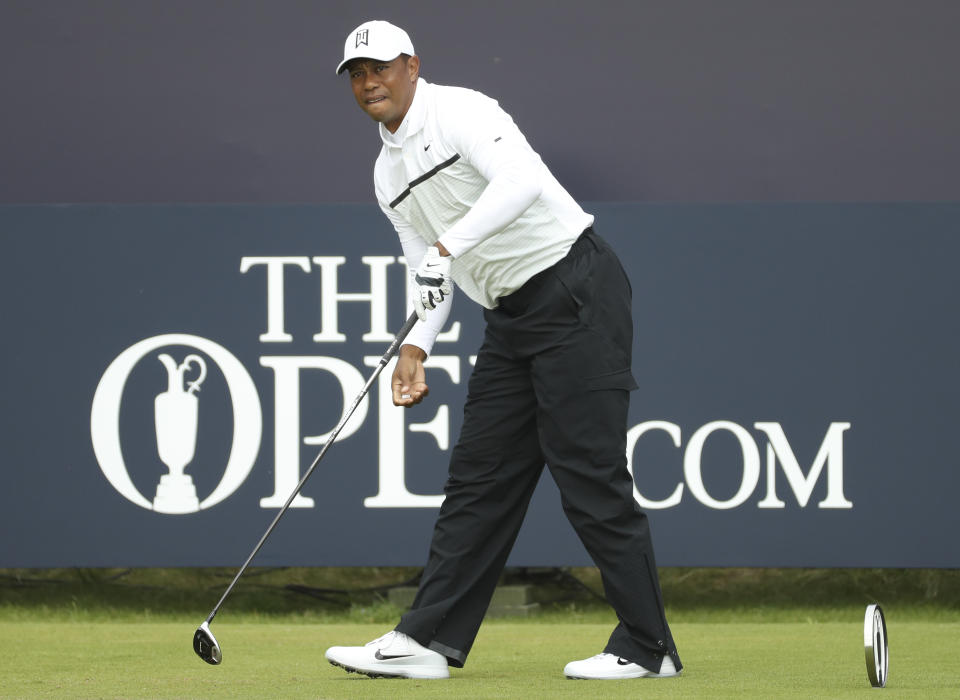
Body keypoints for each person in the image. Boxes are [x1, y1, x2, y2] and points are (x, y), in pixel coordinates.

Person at [325, 19, 682, 681]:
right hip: (511, 316)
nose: (369, 82)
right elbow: (420, 265)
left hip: (576, 286)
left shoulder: (462, 110)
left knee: (589, 475)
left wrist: (447, 249)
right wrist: (415, 348)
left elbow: (520, 183)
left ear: (411, 66)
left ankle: (648, 647)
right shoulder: (385, 172)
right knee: (478, 478)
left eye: (379, 68)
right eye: (356, 74)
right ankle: (426, 641)